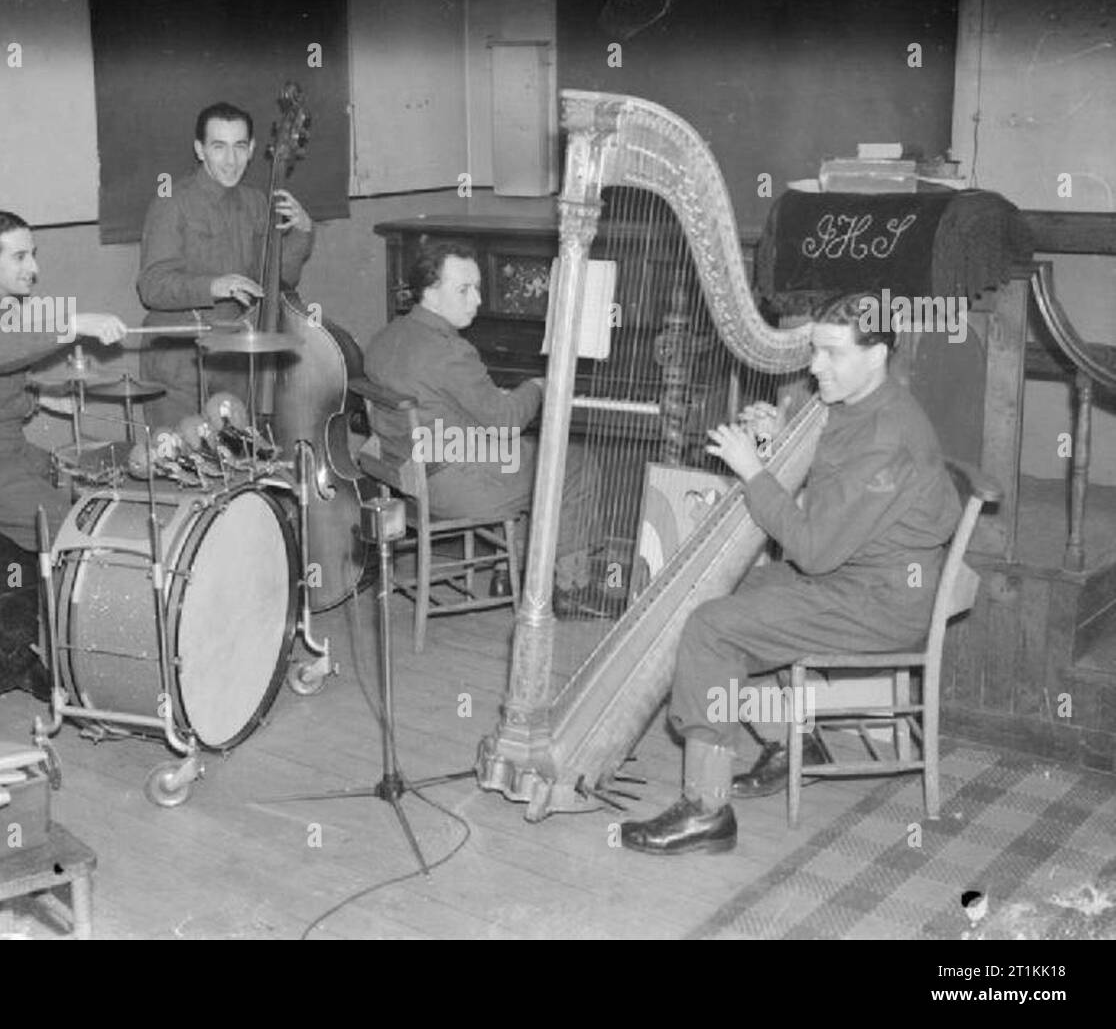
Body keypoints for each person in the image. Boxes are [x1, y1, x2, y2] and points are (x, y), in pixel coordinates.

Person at [619, 291, 963, 855]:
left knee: (712, 627)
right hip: (856, 578)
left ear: (876, 355)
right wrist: (778, 440)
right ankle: (796, 744)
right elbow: (834, 481)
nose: (813, 366)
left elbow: (811, 549)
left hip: (878, 601)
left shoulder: (886, 434)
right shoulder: (868, 404)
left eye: (830, 354)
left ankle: (706, 812)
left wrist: (754, 471)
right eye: (813, 352)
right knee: (739, 591)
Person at [363, 241, 611, 616]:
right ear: (429, 290)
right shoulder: (449, 350)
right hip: (454, 484)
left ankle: (510, 571)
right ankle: (570, 588)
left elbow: (449, 403)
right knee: (575, 464)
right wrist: (537, 386)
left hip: (406, 475)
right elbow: (506, 421)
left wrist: (492, 402)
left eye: (477, 288)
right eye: (463, 290)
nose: (477, 300)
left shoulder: (387, 335)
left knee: (534, 455)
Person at [0, 210, 128, 550]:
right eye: (20, 257)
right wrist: (72, 323)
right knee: (74, 522)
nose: (34, 268)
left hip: (12, 450)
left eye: (33, 255)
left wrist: (41, 396)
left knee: (93, 493)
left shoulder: (5, 311)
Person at [136, 101, 314, 429]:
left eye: (239, 147)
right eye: (219, 147)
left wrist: (302, 233)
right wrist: (213, 286)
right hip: (179, 358)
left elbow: (277, 284)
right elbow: (151, 286)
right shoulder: (171, 201)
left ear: (252, 149)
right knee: (182, 462)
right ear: (200, 150)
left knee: (237, 459)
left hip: (234, 357)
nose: (231, 160)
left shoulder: (256, 202)